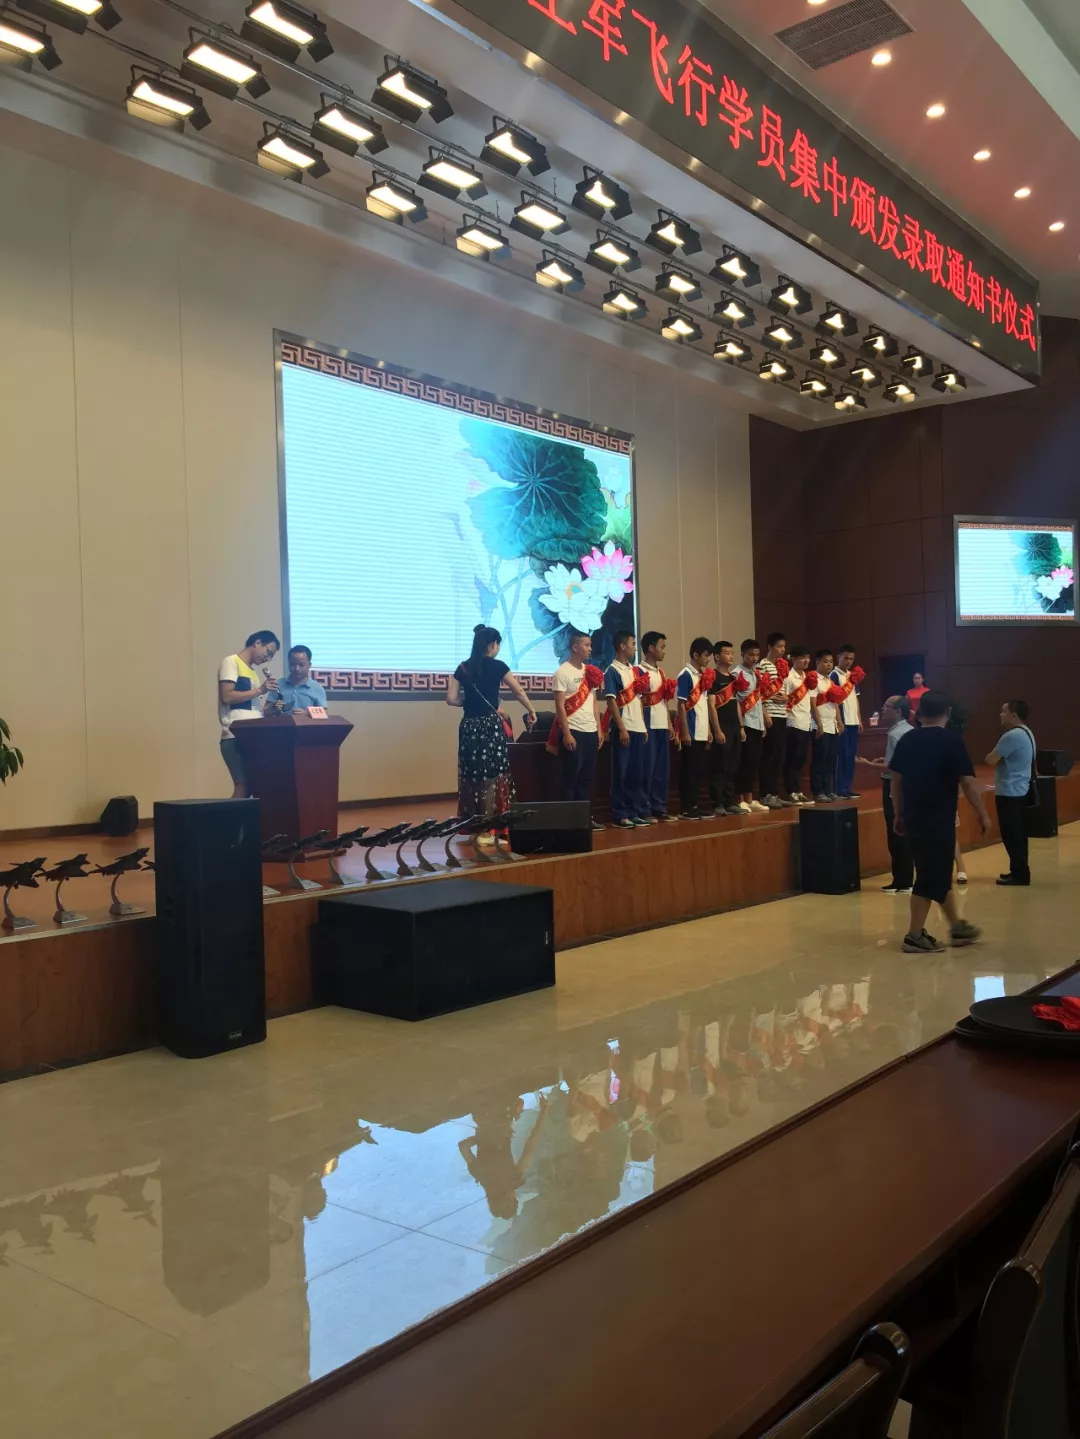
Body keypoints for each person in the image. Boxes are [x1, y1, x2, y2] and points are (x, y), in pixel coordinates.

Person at [890, 691, 989, 954]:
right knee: (928, 877)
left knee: (937, 872)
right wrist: (982, 813)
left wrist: (898, 814)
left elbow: (896, 781)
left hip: (913, 817)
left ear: (920, 712)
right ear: (948, 712)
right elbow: (967, 782)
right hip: (938, 819)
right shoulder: (951, 741)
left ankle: (957, 926)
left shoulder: (907, 739)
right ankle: (914, 936)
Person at [447, 625, 537, 822]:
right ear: (493, 644)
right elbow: (518, 691)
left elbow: (451, 699)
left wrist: (469, 703)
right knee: (494, 772)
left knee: (472, 773)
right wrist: (531, 710)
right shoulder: (499, 667)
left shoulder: (463, 668)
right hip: (490, 726)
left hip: (469, 726)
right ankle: (492, 820)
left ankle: (473, 820)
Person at [856, 695, 914, 893]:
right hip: (909, 785)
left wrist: (867, 765)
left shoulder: (895, 734)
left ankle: (903, 881)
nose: (882, 709)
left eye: (886, 706)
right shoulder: (909, 730)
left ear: (898, 711)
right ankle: (905, 878)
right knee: (903, 832)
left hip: (894, 786)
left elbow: (892, 768)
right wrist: (884, 759)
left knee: (895, 832)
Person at [550, 629, 605, 831]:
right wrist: (566, 734)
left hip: (590, 731)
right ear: (575, 647)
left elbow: (594, 702)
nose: (590, 649)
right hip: (573, 730)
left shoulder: (589, 671)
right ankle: (569, 821)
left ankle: (585, 818)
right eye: (587, 645)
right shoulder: (562, 672)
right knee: (570, 778)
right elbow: (559, 706)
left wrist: (599, 728)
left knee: (587, 778)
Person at [218, 629, 280, 797]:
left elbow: (251, 708)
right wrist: (259, 690)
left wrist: (270, 710)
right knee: (243, 786)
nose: (268, 658)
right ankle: (230, 816)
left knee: (253, 786)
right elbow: (227, 696)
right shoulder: (231, 661)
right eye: (269, 652)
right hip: (235, 735)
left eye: (271, 656)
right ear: (258, 643)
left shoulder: (252, 672)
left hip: (252, 734)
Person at [986, 700, 1036, 886]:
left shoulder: (1012, 736)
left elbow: (990, 759)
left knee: (1012, 835)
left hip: (1010, 792)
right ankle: (1018, 870)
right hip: (1021, 790)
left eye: (1003, 711)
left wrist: (993, 755)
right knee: (1019, 834)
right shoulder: (1027, 732)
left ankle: (1020, 874)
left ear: (1013, 715)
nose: (1000, 715)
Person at [604, 631, 650, 829]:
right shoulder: (612, 671)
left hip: (638, 728)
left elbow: (639, 700)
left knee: (635, 773)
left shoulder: (635, 671)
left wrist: (643, 726)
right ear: (622, 646)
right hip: (623, 728)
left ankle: (633, 811)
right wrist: (622, 728)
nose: (634, 648)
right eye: (632, 644)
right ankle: (620, 814)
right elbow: (611, 701)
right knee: (620, 773)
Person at [638, 631, 679, 823]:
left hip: (662, 725)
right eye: (662, 647)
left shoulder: (661, 672)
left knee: (662, 771)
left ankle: (659, 807)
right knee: (647, 769)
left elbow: (665, 700)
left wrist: (669, 723)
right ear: (650, 648)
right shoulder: (638, 671)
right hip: (648, 725)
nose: (664, 651)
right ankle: (644, 808)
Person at [676, 637, 716, 821]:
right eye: (706, 655)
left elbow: (703, 705)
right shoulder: (685, 674)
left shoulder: (702, 675)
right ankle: (687, 807)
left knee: (698, 771)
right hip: (690, 731)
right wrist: (684, 731)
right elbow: (681, 705)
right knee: (689, 771)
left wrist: (708, 730)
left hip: (701, 730)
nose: (708, 659)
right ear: (695, 655)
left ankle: (695, 805)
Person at [710, 640, 745, 816]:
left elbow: (736, 703)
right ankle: (718, 802)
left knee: (733, 765)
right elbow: (711, 706)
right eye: (727, 653)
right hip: (722, 726)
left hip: (734, 727)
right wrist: (717, 730)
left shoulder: (732, 678)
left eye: (732, 653)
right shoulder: (712, 677)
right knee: (720, 766)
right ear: (717, 656)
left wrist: (741, 726)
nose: (731, 656)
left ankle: (729, 801)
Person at [735, 639, 768, 813]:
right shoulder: (736, 673)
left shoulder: (757, 673)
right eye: (751, 655)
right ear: (743, 654)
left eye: (756, 655)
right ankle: (740, 799)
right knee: (744, 762)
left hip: (757, 723)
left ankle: (749, 797)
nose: (754, 658)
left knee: (754, 762)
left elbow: (759, 699)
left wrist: (763, 722)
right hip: (745, 723)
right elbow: (735, 702)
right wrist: (740, 726)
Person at [757, 632, 789, 810]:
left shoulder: (782, 666)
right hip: (770, 715)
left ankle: (775, 793)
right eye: (779, 646)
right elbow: (759, 692)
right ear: (769, 647)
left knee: (779, 756)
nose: (782, 650)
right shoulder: (763, 665)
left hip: (782, 715)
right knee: (769, 756)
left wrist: (786, 698)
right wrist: (764, 714)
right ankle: (766, 794)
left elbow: (785, 692)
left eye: (784, 646)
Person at [780, 647, 815, 805]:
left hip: (806, 722)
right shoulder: (788, 676)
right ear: (793, 659)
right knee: (792, 759)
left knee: (801, 759)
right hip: (793, 721)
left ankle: (798, 790)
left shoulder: (808, 677)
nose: (806, 660)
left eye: (807, 657)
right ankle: (791, 791)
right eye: (802, 657)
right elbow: (782, 697)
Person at [831, 645, 864, 799]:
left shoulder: (852, 676)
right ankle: (840, 788)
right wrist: (839, 721)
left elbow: (856, 698)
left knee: (851, 756)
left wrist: (859, 719)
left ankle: (847, 786)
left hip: (853, 721)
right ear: (838, 657)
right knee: (842, 755)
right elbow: (834, 700)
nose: (848, 661)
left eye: (851, 659)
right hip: (843, 721)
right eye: (846, 658)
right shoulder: (834, 675)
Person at [810, 649, 843, 803]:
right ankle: (818, 791)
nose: (829, 664)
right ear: (817, 662)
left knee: (831, 760)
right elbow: (813, 704)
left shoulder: (830, 681)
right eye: (825, 661)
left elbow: (835, 703)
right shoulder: (813, 679)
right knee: (820, 759)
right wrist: (819, 724)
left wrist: (839, 721)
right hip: (820, 725)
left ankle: (829, 790)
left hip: (832, 725)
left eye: (830, 662)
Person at [277, 645, 328, 712]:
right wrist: (273, 708)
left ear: (309, 665)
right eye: (293, 664)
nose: (297, 669)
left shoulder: (317, 688)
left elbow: (324, 713)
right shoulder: (278, 685)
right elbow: (267, 711)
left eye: (301, 665)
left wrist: (306, 714)